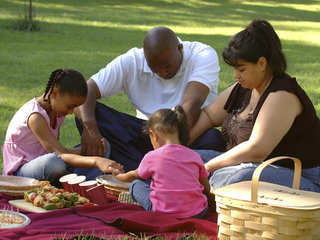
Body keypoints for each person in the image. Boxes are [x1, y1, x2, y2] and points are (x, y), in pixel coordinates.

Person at [190, 19, 320, 193]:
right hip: (247, 166)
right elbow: (209, 116)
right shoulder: (243, 87)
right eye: (234, 69)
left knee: (237, 179)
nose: (236, 75)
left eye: (241, 69)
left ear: (262, 63)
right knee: (184, 160)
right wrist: (179, 146)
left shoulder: (283, 95)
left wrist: (207, 168)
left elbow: (257, 149)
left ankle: (192, 192)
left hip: (299, 178)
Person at [74, 26, 226, 172]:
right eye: (154, 68)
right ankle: (145, 169)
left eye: (167, 66)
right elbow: (87, 90)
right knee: (91, 111)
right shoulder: (132, 61)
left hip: (184, 134)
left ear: (180, 49)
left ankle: (143, 169)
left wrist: (167, 147)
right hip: (146, 132)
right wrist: (90, 128)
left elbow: (192, 105)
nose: (161, 73)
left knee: (213, 139)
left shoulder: (202, 54)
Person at [2, 69, 123, 187]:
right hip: (21, 172)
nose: (71, 112)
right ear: (55, 93)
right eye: (70, 106)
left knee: (101, 146)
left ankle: (82, 185)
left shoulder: (57, 112)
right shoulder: (35, 117)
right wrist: (96, 161)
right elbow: (59, 154)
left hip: (51, 159)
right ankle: (74, 183)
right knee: (54, 163)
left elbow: (60, 151)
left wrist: (90, 146)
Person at [113, 105, 210, 219]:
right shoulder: (194, 155)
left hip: (163, 213)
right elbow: (206, 189)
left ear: (154, 135)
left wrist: (118, 176)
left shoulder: (152, 156)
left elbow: (132, 176)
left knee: (136, 184)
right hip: (198, 212)